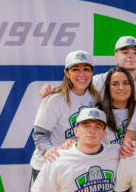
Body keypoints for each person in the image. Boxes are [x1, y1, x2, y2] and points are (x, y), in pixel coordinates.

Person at [31, 50, 99, 179]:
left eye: (86, 69)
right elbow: (39, 134)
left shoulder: (95, 97)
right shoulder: (55, 99)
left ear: (92, 72)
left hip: (75, 163)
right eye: (75, 70)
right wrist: (51, 151)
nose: (82, 74)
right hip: (48, 165)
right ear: (66, 73)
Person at [98, 66, 136, 146]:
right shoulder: (98, 113)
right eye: (115, 84)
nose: (121, 88)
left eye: (126, 83)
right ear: (108, 87)